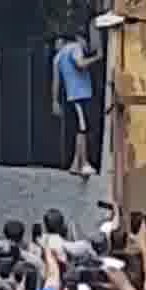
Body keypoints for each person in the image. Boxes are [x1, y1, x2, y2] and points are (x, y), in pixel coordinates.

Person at [52, 29, 101, 178]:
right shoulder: (74, 48)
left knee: (80, 129)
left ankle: (75, 163)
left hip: (71, 96)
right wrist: (97, 57)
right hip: (82, 95)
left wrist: (54, 100)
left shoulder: (57, 57)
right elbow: (80, 64)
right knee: (83, 130)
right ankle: (84, 163)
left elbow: (56, 81)